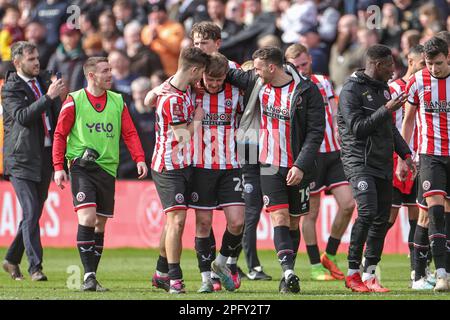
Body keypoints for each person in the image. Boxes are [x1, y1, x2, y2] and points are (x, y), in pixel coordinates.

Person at [227, 46, 325, 293]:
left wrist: (301, 165)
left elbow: (315, 132)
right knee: (278, 218)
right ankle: (289, 272)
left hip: (297, 167)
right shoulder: (258, 83)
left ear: (272, 67)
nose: (255, 73)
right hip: (268, 164)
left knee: (293, 222)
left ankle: (287, 273)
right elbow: (226, 72)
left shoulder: (306, 90)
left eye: (259, 68)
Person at [52, 56, 148, 291]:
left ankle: (91, 275)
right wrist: (58, 167)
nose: (110, 74)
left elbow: (130, 133)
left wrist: (140, 159)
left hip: (107, 168)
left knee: (100, 225)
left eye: (111, 69)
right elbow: (59, 134)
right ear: (91, 76)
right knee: (88, 218)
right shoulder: (74, 101)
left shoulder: (118, 101)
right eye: (105, 70)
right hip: (81, 167)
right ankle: (88, 277)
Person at [338, 44, 415, 293]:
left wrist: (405, 154)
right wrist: (386, 109)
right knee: (369, 212)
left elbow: (390, 128)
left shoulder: (383, 89)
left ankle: (370, 274)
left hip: (382, 162)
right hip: (358, 161)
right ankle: (352, 273)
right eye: (391, 65)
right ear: (378, 64)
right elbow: (358, 128)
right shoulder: (351, 89)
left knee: (381, 220)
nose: (394, 70)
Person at [285, 43, 355, 281]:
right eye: (296, 66)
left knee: (348, 205)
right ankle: (315, 265)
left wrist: (342, 137)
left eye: (304, 64)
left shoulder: (323, 82)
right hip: (310, 157)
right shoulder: (289, 89)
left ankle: (330, 255)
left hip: (334, 153)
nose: (301, 69)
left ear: (310, 61)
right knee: (310, 213)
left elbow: (335, 113)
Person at [150, 47, 210, 294]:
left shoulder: (181, 87)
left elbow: (146, 100)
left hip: (184, 163)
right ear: (194, 70)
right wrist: (198, 116)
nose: (202, 79)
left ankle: (161, 272)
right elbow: (182, 135)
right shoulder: (173, 99)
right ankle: (175, 277)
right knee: (177, 220)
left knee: (173, 221)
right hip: (168, 165)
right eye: (201, 73)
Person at [2, 41, 64, 281]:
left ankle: (10, 260)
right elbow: (23, 117)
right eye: (30, 59)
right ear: (17, 62)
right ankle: (35, 267)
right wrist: (48, 97)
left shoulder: (45, 80)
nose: (37, 62)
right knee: (30, 210)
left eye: (37, 57)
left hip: (44, 157)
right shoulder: (10, 89)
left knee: (33, 213)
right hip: (21, 158)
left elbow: (55, 116)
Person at [188, 52, 245, 293]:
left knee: (237, 221)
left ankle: (220, 263)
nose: (214, 84)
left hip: (230, 165)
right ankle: (205, 279)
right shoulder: (191, 92)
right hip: (201, 167)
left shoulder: (235, 93)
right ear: (202, 75)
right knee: (203, 223)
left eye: (219, 80)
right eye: (210, 79)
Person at [398, 36, 450, 292]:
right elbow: (407, 121)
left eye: (438, 63)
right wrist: (403, 156)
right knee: (433, 211)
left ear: (448, 57)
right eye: (429, 63)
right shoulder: (417, 81)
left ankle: (440, 271)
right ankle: (438, 274)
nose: (433, 69)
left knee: (442, 215)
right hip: (429, 154)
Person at [386, 45, 425, 286]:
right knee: (387, 217)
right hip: (395, 159)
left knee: (417, 216)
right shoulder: (393, 89)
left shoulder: (428, 86)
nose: (427, 69)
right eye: (423, 64)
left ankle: (416, 273)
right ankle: (365, 266)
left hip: (420, 158)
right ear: (411, 61)